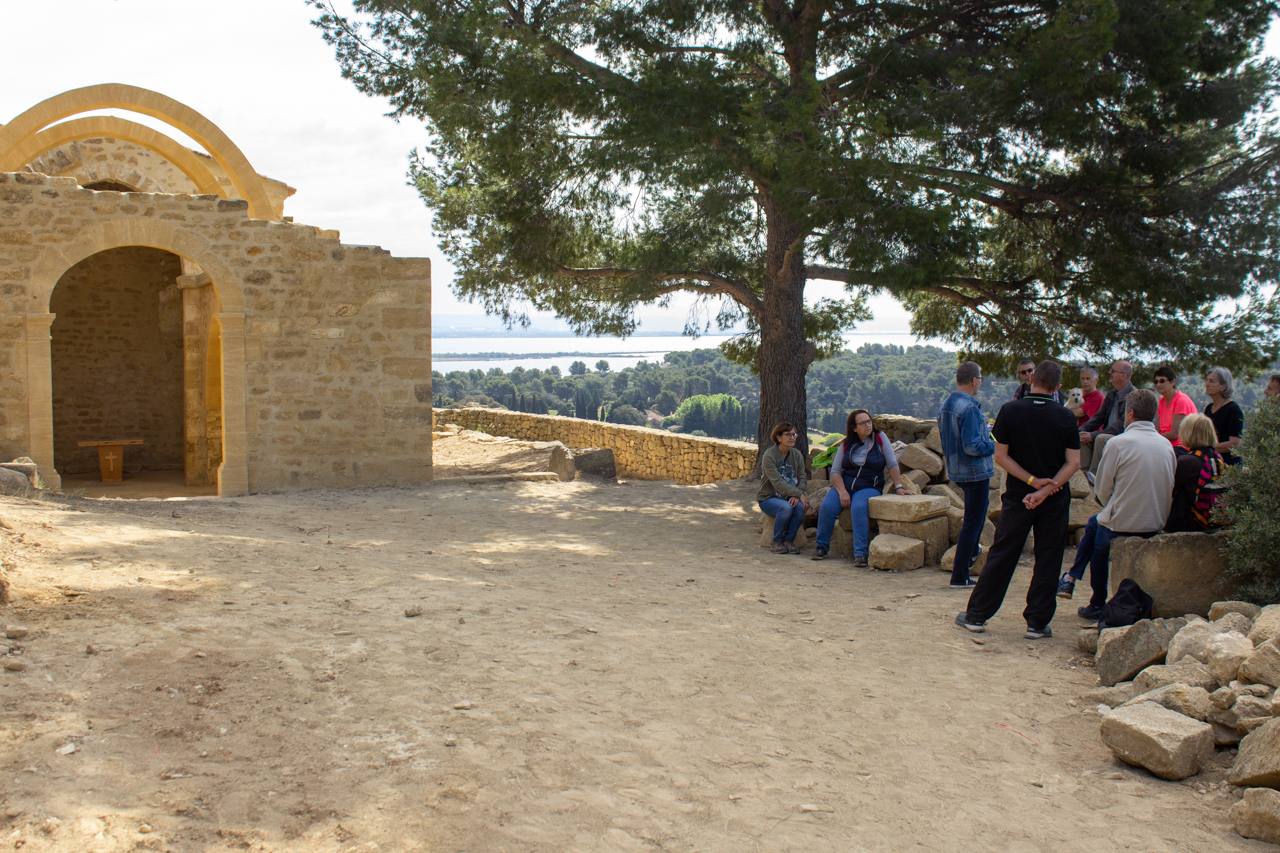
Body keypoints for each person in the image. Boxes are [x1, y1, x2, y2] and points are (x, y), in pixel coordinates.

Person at [956, 360, 1080, 639]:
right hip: (1055, 497)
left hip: (1018, 495)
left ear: (1032, 378)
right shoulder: (1065, 417)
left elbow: (1000, 456)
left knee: (1003, 554)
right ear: (1058, 387)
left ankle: (977, 615)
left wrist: (1031, 484)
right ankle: (1037, 623)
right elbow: (1073, 463)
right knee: (1049, 558)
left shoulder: (1010, 411)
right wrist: (1045, 489)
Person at [1058, 390, 1175, 619]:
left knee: (1099, 545)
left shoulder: (1118, 443)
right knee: (1094, 524)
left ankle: (1096, 600)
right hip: (1157, 518)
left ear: (1130, 413)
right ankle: (1070, 578)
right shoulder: (1166, 445)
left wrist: (1110, 501)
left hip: (1123, 522)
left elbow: (1102, 491)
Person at [810, 409, 911, 567]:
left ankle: (860, 553)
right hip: (845, 485)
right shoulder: (846, 444)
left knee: (858, 507)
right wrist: (842, 492)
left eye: (869, 421)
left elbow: (892, 464)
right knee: (827, 507)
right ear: (854, 428)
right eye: (862, 423)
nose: (867, 425)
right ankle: (821, 547)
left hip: (869, 485)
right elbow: (835, 472)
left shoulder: (879, 438)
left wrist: (898, 487)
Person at [937, 361, 996, 589]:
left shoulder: (947, 404)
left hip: (958, 470)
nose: (981, 382)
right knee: (973, 522)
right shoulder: (969, 408)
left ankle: (967, 562)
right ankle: (960, 575)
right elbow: (972, 447)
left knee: (973, 520)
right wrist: (994, 445)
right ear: (974, 380)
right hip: (975, 472)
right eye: (980, 378)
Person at [1165, 413, 1227, 533]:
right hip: (1213, 522)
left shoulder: (1187, 462)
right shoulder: (1216, 458)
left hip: (1189, 523)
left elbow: (1170, 489)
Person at [757, 422, 809, 554]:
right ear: (779, 438)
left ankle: (789, 540)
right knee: (785, 508)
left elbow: (803, 477)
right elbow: (777, 482)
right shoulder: (769, 455)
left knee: (801, 507)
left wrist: (798, 494)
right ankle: (777, 541)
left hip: (792, 496)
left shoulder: (796, 455)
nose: (792, 437)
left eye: (794, 434)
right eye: (788, 435)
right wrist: (798, 493)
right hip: (769, 498)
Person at [1079, 360, 1136, 478]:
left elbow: (1121, 425)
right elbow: (1099, 417)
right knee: (1083, 437)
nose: (1110, 372)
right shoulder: (1112, 394)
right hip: (1108, 434)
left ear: (1123, 376)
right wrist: (1081, 430)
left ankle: (1094, 478)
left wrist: (1093, 436)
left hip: (1123, 437)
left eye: (1113, 371)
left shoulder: (1133, 396)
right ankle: (1083, 477)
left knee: (1100, 438)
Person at [1203, 366, 1244, 465]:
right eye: (1207, 380)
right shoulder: (1209, 408)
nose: (1206, 384)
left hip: (1228, 464)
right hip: (1211, 461)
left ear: (1223, 386)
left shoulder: (1233, 409)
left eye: (1211, 381)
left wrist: (1209, 448)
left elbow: (1235, 443)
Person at [1153, 366, 1197, 449]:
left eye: (1162, 381)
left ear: (1173, 382)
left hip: (1181, 447)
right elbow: (1158, 430)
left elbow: (1174, 434)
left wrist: (1154, 439)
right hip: (1165, 444)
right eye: (1156, 382)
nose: (1158, 384)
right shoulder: (1160, 402)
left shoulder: (1181, 401)